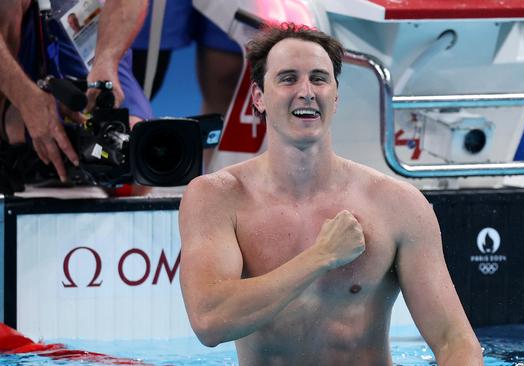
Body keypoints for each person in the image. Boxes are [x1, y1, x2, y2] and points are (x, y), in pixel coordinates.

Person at [178, 23, 484, 365]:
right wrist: (321, 256)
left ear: (335, 97)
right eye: (288, 78)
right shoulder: (218, 198)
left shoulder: (398, 205)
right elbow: (209, 322)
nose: (306, 91)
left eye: (319, 78)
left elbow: (455, 340)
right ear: (258, 98)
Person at [0, 0, 152, 193]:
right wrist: (24, 97)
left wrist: (106, 60)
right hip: (16, 32)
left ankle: (72, 160)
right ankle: (6, 134)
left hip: (79, 20)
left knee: (137, 159)